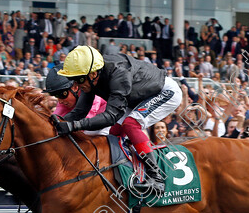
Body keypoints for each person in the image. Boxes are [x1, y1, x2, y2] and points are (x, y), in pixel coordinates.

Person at [56, 45, 183, 194]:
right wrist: (56, 121)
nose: (76, 85)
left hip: (165, 92)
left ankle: (156, 177)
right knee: (114, 131)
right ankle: (125, 171)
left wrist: (73, 126)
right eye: (73, 80)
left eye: (78, 79)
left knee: (131, 124)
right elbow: (80, 111)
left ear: (93, 74)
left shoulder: (118, 74)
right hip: (137, 97)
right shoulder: (91, 79)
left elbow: (110, 116)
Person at [44, 67, 109, 136]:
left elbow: (86, 121)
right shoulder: (65, 101)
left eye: (62, 94)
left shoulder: (93, 96)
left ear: (75, 87)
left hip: (108, 123)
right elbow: (57, 118)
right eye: (57, 96)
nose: (60, 101)